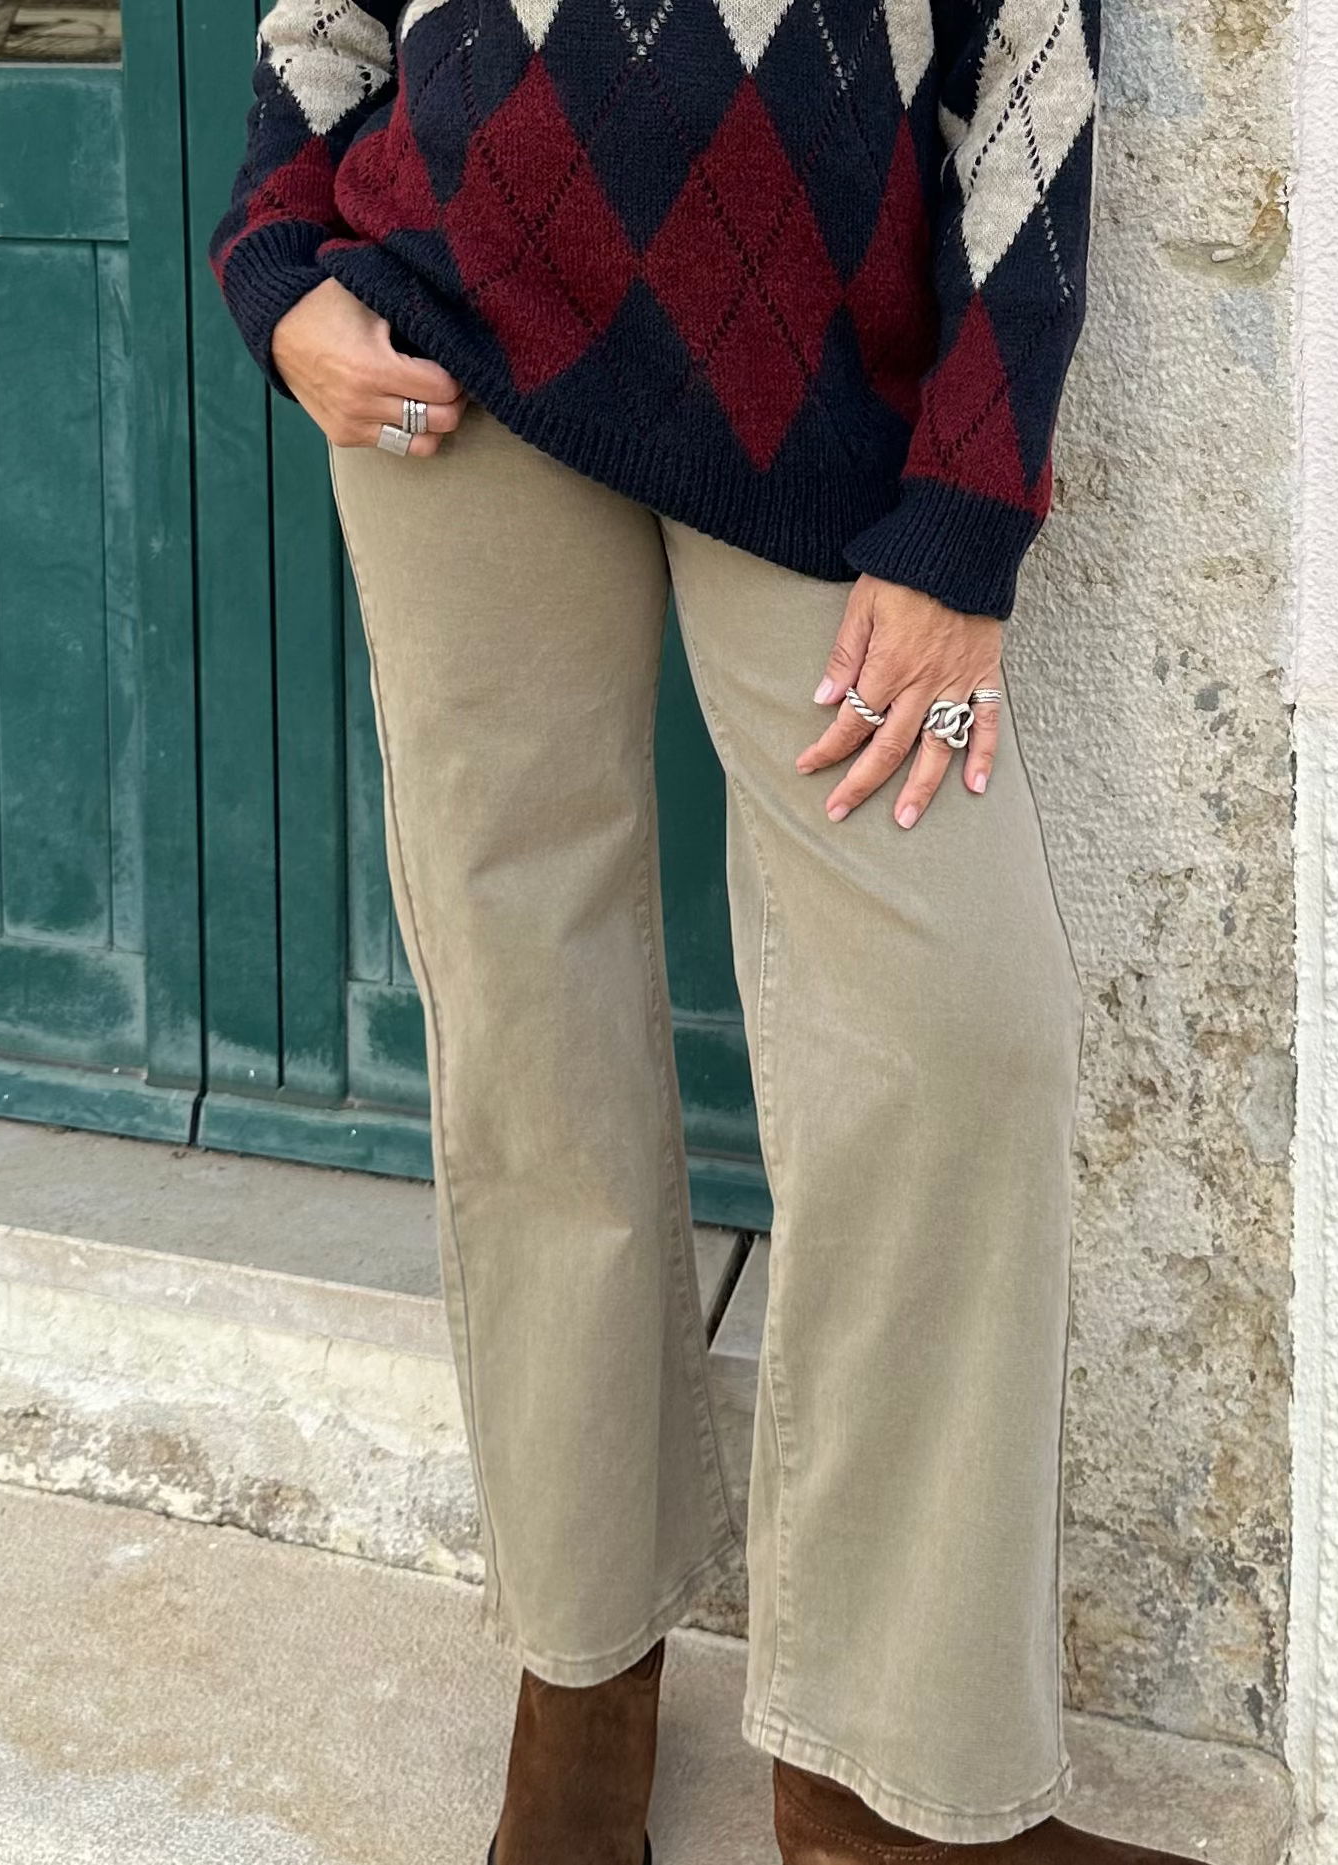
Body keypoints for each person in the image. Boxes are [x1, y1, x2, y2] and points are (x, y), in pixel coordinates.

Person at [210, 1, 1187, 1858]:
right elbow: (319, 23)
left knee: (961, 1038)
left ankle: (883, 1783)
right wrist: (279, 276)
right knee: (529, 1031)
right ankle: (580, 1691)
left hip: (822, 418)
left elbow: (1033, 84)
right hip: (450, 377)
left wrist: (970, 516)